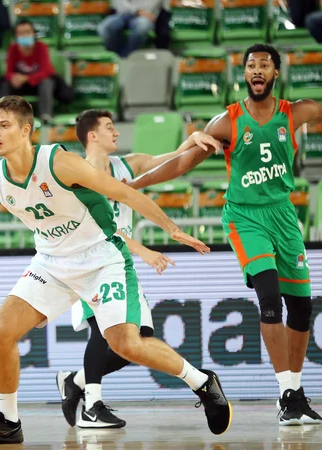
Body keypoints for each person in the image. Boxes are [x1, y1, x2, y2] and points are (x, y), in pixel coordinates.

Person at [128, 44, 322, 425]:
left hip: (283, 215)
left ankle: (295, 391)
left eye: (264, 65)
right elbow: (180, 165)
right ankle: (286, 393)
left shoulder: (295, 112)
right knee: (270, 299)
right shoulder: (226, 121)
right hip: (245, 217)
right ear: (244, 75)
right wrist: (130, 184)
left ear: (275, 73)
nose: (257, 70)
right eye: (251, 66)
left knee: (303, 308)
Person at [0, 96, 233, 444]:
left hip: (101, 258)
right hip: (51, 263)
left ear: (26, 130)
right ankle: (8, 422)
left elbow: (122, 191)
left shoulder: (59, 163)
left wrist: (170, 227)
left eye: (5, 125)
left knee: (126, 344)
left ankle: (201, 381)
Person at [55, 109, 221, 428]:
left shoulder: (126, 165)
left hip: (119, 262)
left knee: (139, 338)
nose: (116, 133)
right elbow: (98, 227)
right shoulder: (75, 175)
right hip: (88, 261)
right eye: (109, 128)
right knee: (102, 331)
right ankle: (93, 404)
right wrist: (143, 249)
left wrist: (193, 139)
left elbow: (169, 159)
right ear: (92, 136)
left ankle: (74, 381)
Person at [0, 20, 57, 122]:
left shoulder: (41, 47)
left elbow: (46, 71)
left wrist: (27, 78)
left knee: (47, 82)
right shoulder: (13, 48)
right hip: (20, 85)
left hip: (36, 84)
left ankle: (46, 116)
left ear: (33, 34)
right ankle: (5, 116)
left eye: (27, 32)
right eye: (21, 33)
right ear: (16, 36)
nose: (24, 35)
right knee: (5, 84)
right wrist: (13, 78)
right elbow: (8, 72)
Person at [98, 0, 170, 58]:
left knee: (142, 26)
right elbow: (119, 4)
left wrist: (140, 12)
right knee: (104, 28)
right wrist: (137, 11)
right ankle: (115, 56)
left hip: (146, 16)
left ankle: (125, 57)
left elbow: (152, 7)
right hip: (122, 14)